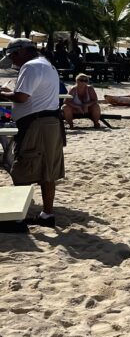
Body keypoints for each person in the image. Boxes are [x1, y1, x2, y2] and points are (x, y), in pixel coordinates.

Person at [0, 39, 64, 227]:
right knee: (47, 171)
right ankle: (47, 214)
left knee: (22, 168)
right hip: (50, 122)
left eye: (13, 55)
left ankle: (16, 218)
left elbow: (21, 97)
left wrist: (3, 94)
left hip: (36, 124)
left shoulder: (30, 67)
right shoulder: (46, 65)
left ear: (21, 52)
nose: (13, 60)